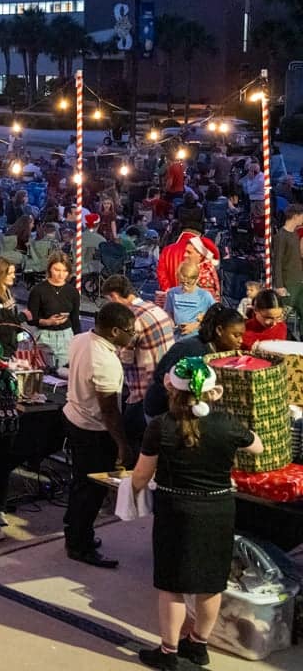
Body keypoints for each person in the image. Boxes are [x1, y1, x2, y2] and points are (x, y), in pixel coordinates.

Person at [131, 359, 263, 670]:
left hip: (176, 511)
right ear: (210, 391)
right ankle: (199, 645)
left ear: (170, 389)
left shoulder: (159, 426)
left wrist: (132, 491)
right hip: (218, 509)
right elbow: (256, 447)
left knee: (172, 585)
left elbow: (140, 476)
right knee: (210, 583)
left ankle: (168, 651)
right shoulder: (226, 423)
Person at [62, 302, 136, 569]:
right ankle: (79, 544)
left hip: (74, 416)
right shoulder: (105, 362)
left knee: (80, 483)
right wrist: (122, 445)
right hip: (93, 430)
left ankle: (77, 533)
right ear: (115, 331)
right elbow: (109, 411)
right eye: (130, 331)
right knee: (91, 490)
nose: (133, 336)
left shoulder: (81, 339)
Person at [101, 275, 175, 436]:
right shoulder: (155, 309)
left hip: (143, 392)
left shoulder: (131, 319)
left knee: (132, 437)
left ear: (114, 296)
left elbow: (124, 358)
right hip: (166, 385)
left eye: (109, 300)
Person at [26, 252, 81, 369]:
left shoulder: (72, 292)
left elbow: (75, 319)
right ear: (50, 269)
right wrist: (48, 322)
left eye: (64, 271)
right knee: (43, 372)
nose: (61, 274)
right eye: (57, 270)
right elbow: (31, 319)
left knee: (65, 372)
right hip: (45, 336)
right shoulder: (38, 290)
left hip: (67, 336)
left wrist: (79, 341)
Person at [164, 260, 216, 337]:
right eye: (181, 282)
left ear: (197, 279)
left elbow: (215, 316)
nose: (185, 286)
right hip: (177, 336)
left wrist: (196, 325)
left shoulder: (204, 295)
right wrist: (171, 324)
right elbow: (168, 312)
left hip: (197, 337)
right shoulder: (172, 293)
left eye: (189, 283)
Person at [272, 203, 303, 309]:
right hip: (288, 281)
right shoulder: (281, 236)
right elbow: (277, 261)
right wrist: (279, 285)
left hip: (298, 279)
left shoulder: (294, 233)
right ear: (296, 216)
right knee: (286, 312)